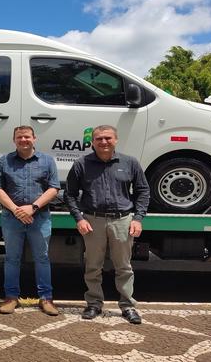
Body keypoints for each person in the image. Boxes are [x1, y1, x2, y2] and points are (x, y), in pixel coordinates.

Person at [64, 125, 149, 324]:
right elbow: (69, 194)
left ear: (116, 140)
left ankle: (127, 306)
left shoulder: (130, 163)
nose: (103, 142)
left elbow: (143, 191)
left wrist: (138, 218)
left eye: (108, 138)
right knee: (93, 266)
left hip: (122, 220)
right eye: (99, 139)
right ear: (92, 142)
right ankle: (94, 304)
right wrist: (79, 218)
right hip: (93, 221)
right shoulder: (81, 164)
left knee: (124, 267)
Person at [0, 126, 60, 316]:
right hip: (11, 217)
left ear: (34, 138)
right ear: (14, 140)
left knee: (42, 258)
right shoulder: (4, 160)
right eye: (19, 137)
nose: (23, 140)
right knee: (12, 259)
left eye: (27, 137)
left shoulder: (47, 161)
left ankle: (46, 299)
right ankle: (11, 298)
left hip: (40, 217)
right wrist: (16, 210)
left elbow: (54, 188)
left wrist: (33, 207)